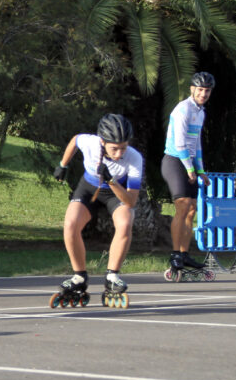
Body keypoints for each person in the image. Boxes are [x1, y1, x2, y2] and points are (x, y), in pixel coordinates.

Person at [51, 114, 143, 308]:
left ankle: (112, 276)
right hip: (88, 188)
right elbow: (75, 140)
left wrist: (112, 180)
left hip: (116, 193)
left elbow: (131, 200)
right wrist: (63, 165)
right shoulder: (91, 143)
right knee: (70, 225)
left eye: (123, 148)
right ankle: (79, 277)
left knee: (125, 222)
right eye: (114, 148)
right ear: (102, 142)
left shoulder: (134, 158)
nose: (119, 154)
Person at [161, 71, 214, 275]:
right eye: (200, 89)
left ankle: (184, 254)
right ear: (192, 89)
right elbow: (180, 142)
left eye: (207, 91)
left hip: (190, 162)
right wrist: (190, 168)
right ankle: (175, 253)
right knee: (183, 206)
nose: (203, 93)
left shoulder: (201, 112)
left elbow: (197, 143)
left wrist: (200, 170)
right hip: (174, 160)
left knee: (192, 209)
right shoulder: (182, 109)